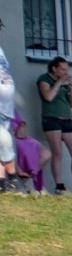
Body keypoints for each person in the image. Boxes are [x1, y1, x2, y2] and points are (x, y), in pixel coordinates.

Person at [37, 56, 72, 197]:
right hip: (51, 119)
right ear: (54, 68)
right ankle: (59, 186)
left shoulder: (65, 81)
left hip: (67, 119)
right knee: (57, 153)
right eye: (62, 69)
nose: (65, 72)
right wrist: (59, 83)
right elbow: (48, 97)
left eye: (67, 69)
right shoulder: (44, 79)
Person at [0, 30, 19, 193]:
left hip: (4, 103)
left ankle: (6, 179)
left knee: (2, 141)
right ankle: (9, 176)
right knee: (2, 139)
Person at [10, 115, 49, 193]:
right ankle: (25, 180)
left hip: (31, 174)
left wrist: (34, 170)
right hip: (12, 140)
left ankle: (33, 179)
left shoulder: (31, 141)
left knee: (46, 153)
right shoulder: (15, 140)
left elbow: (47, 154)